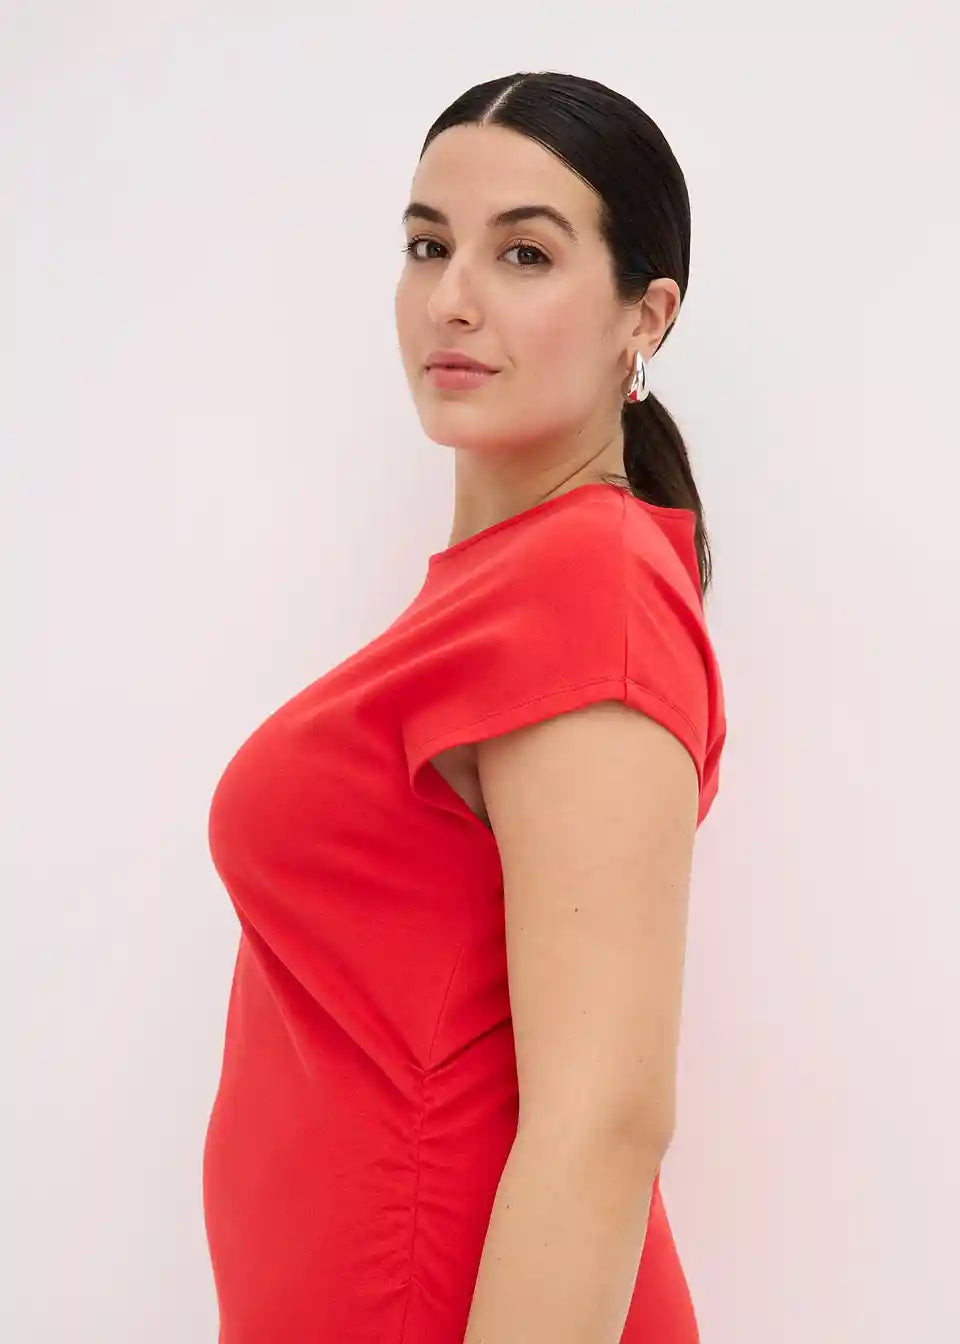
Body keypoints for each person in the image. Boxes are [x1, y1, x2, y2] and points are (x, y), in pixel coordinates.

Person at [202, 70, 727, 1344]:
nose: (453, 297)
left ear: (644, 315)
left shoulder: (585, 591)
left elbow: (605, 1121)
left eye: (524, 254)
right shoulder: (503, 594)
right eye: (429, 244)